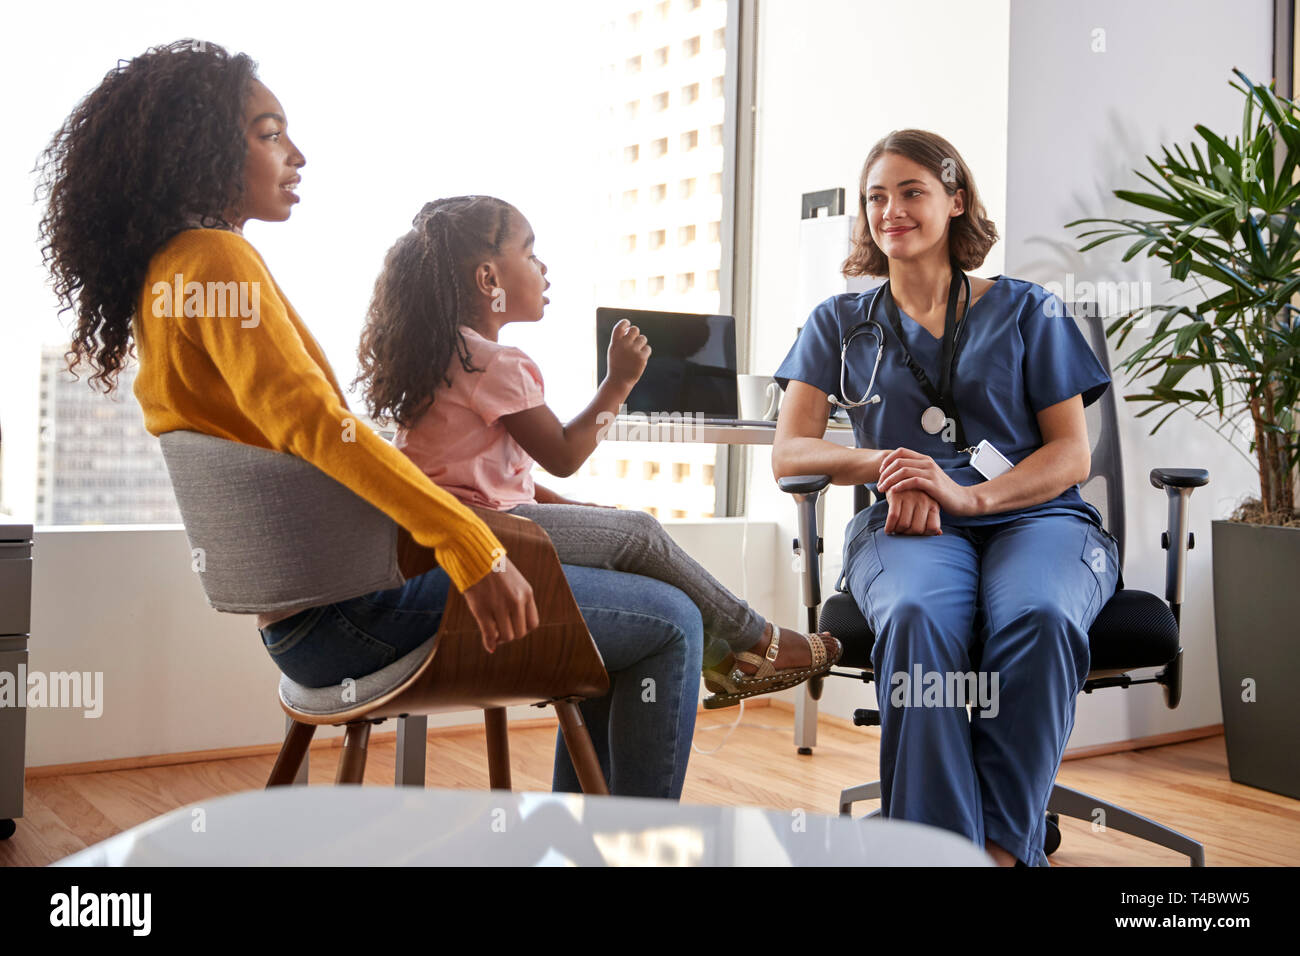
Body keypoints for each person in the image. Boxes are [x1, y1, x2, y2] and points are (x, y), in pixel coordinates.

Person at [38, 39, 702, 799]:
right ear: (199, 149)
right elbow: (317, 427)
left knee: (625, 594)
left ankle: (589, 838)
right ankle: (632, 844)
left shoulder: (171, 274)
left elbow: (307, 434)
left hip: (306, 627)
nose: (298, 153)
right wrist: (471, 548)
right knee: (671, 623)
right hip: (357, 618)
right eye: (269, 133)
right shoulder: (216, 262)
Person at [771, 129, 1121, 866]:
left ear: (955, 201)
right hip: (906, 523)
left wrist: (971, 499)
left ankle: (996, 849)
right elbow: (790, 451)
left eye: (911, 192)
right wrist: (889, 463)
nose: (889, 210)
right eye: (875, 198)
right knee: (919, 617)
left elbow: (1070, 455)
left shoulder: (1031, 311)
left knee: (1043, 614)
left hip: (1037, 518)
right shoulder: (839, 322)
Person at [352, 195, 842, 708]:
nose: (544, 268)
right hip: (483, 531)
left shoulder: (443, 356)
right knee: (641, 532)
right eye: (530, 253)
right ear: (488, 279)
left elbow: (496, 478)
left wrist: (579, 513)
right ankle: (760, 641)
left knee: (620, 530)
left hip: (439, 534)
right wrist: (619, 383)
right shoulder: (494, 363)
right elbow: (564, 455)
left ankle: (724, 661)